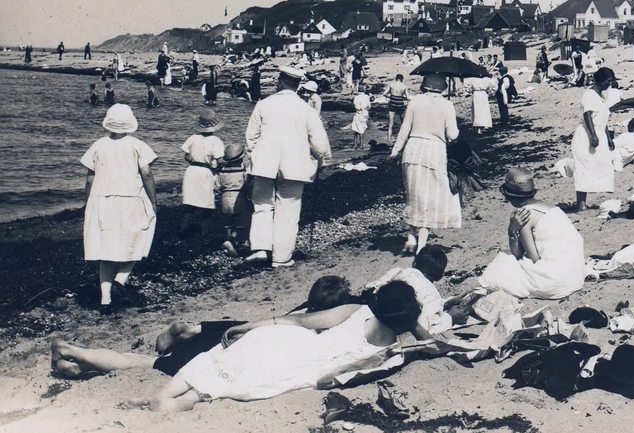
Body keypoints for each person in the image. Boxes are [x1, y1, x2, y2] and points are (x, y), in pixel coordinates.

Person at [140, 280, 422, 412]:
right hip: (303, 367)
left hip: (287, 341)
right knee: (230, 384)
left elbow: (300, 320)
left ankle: (163, 394)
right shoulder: (390, 352)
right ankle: (184, 402)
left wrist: (249, 326)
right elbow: (342, 375)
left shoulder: (358, 311)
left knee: (216, 361)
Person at [49, 276, 353, 381]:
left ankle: (75, 365)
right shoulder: (314, 329)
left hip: (222, 331)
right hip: (223, 349)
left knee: (158, 356)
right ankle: (71, 350)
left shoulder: (299, 311)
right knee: (144, 363)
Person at [244, 66, 332, 268]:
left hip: (265, 164)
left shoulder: (263, 104)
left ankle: (260, 248)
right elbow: (319, 143)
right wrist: (322, 161)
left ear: (280, 82)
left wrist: (253, 158)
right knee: (288, 209)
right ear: (297, 86)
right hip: (294, 166)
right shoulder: (306, 110)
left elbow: (251, 138)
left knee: (262, 205)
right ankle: (281, 257)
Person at [80, 104, 158, 314]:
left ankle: (105, 299)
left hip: (103, 201)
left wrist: (88, 203)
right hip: (130, 200)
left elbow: (90, 178)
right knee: (137, 240)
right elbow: (147, 174)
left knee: (106, 251)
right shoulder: (137, 145)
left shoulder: (98, 145)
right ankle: (120, 281)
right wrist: (153, 200)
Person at [478, 168, 585, 300]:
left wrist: (512, 230)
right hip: (575, 278)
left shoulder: (524, 215)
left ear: (510, 196)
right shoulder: (553, 208)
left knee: (503, 259)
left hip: (554, 283)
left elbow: (531, 257)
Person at [390, 73, 460, 255]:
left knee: (414, 196)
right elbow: (452, 134)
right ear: (443, 86)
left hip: (412, 150)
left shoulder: (415, 102)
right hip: (434, 153)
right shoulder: (447, 105)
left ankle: (411, 237)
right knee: (430, 199)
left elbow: (405, 129)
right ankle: (421, 245)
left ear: (425, 84)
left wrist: (395, 151)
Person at [360, 245, 453, 337]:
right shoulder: (433, 295)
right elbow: (425, 328)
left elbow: (372, 287)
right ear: (440, 276)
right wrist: (450, 317)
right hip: (398, 330)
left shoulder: (399, 272)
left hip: (375, 317)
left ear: (414, 263)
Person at [570, 67, 617, 212]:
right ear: (601, 80)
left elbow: (603, 119)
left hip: (599, 134)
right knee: (583, 168)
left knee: (599, 165)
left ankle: (584, 202)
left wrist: (608, 138)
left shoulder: (601, 97)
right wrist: (593, 135)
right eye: (608, 81)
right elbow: (587, 115)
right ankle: (581, 204)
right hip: (586, 136)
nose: (610, 84)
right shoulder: (589, 95)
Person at [179, 110, 226, 239]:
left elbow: (186, 156)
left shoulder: (193, 138)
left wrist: (194, 160)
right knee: (207, 202)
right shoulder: (216, 141)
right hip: (206, 171)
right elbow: (218, 160)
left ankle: (184, 227)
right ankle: (204, 231)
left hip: (192, 170)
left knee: (190, 201)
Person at [217, 144, 251, 256]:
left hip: (225, 198)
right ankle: (231, 241)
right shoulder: (243, 171)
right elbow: (247, 186)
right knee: (241, 223)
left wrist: (217, 199)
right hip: (238, 197)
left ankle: (228, 244)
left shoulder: (222, 171)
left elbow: (217, 187)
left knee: (228, 224)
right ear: (241, 158)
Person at [386, 74, 409, 144]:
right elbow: (408, 97)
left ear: (396, 79)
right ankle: (405, 140)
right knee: (403, 123)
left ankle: (389, 142)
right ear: (402, 79)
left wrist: (391, 96)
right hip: (400, 103)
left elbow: (384, 93)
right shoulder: (404, 86)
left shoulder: (391, 84)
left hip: (392, 103)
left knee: (391, 123)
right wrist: (402, 97)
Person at [351, 83, 371, 150]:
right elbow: (369, 106)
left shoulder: (356, 97)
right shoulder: (366, 97)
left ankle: (355, 144)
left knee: (356, 129)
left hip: (358, 113)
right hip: (365, 113)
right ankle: (361, 144)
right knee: (362, 129)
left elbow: (356, 105)